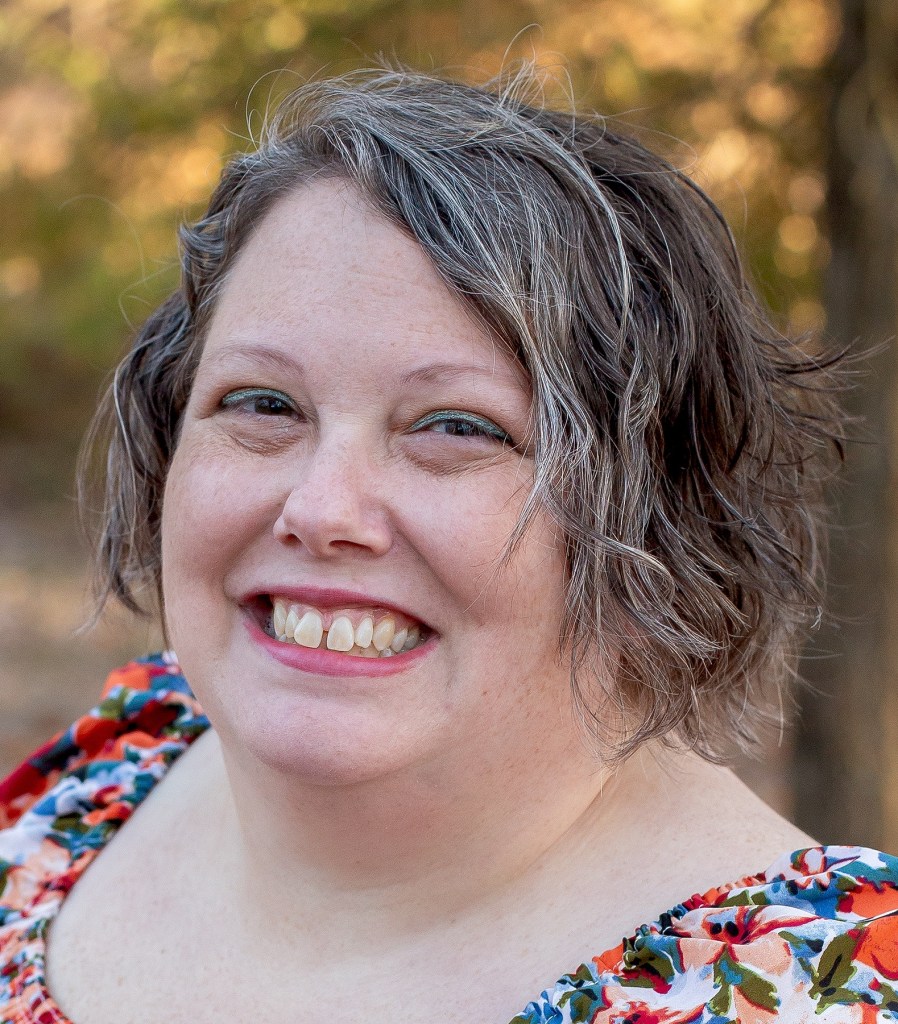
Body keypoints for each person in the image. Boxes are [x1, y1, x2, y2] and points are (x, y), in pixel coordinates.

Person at [0, 62, 895, 1024]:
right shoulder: (108, 772)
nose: (321, 507)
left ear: (660, 520)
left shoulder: (818, 991)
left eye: (456, 427)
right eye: (262, 404)